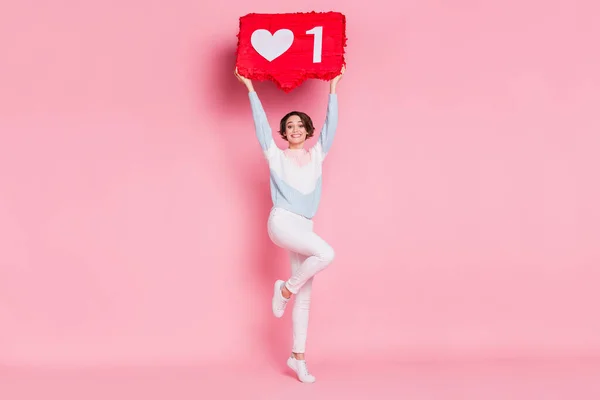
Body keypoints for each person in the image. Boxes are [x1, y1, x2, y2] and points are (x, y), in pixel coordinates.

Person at [234, 66, 345, 383]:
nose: (295, 129)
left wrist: (333, 88)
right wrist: (250, 88)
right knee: (326, 255)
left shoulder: (316, 154)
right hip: (281, 222)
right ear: (283, 132)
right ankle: (284, 289)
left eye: (300, 125)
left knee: (306, 296)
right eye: (289, 125)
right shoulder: (275, 155)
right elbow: (260, 128)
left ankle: (298, 357)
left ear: (308, 130)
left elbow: (331, 128)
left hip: (304, 227)